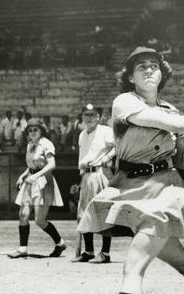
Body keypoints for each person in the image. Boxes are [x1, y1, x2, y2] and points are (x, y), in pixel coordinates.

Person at [77, 47, 184, 294]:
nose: (149, 69)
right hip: (130, 189)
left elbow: (183, 161)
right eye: (142, 66)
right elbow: (164, 122)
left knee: (133, 266)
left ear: (162, 74)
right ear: (131, 77)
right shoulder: (124, 102)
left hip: (164, 190)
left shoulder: (172, 110)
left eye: (154, 66)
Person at [8, 118, 66, 259]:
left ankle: (60, 243)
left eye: (35, 129)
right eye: (30, 130)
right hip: (31, 180)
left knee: (40, 220)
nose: (32, 132)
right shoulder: (30, 145)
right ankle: (22, 249)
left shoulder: (46, 144)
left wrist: (36, 176)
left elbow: (52, 165)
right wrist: (23, 175)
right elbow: (31, 166)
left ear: (41, 130)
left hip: (44, 182)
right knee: (23, 214)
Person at [72, 103, 116, 264]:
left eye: (92, 115)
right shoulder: (82, 135)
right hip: (86, 175)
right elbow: (82, 158)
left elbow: (119, 146)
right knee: (83, 214)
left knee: (103, 213)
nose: (89, 118)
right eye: (86, 115)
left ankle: (105, 253)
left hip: (100, 174)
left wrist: (107, 157)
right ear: (83, 117)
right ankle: (89, 251)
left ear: (98, 116)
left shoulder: (106, 131)